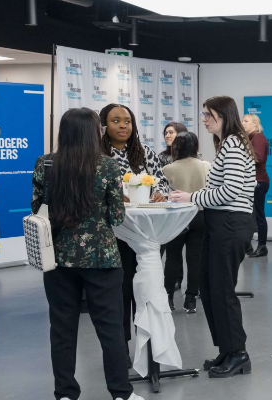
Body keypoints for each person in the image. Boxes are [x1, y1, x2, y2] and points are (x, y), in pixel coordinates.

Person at [33, 107, 141, 400]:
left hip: (58, 258)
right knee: (110, 329)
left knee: (62, 327)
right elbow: (117, 216)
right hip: (102, 258)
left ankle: (65, 393)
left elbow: (37, 208)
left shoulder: (46, 164)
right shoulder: (107, 166)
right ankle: (121, 393)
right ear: (94, 132)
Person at [169, 96, 256, 379]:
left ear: (224, 115)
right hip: (220, 223)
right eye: (203, 113)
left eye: (209, 114)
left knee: (221, 290)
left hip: (230, 223)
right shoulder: (228, 144)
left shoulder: (232, 144)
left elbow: (230, 191)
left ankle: (239, 354)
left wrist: (192, 197)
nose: (204, 118)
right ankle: (228, 349)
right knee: (208, 287)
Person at [98, 103, 171, 341]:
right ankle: (121, 345)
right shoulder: (97, 154)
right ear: (103, 125)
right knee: (119, 291)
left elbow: (161, 182)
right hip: (114, 233)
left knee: (144, 287)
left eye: (127, 121)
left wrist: (160, 192)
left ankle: (147, 343)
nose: (122, 126)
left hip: (144, 232)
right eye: (115, 121)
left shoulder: (144, 151)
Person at [162, 131, 210, 313]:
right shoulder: (206, 165)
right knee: (195, 258)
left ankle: (168, 299)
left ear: (176, 147)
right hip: (200, 215)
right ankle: (190, 300)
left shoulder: (168, 169)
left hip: (177, 217)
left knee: (172, 258)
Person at [242, 114, 270, 258]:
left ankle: (262, 246)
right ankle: (250, 246)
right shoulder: (251, 138)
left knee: (258, 215)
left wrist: (240, 158)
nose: (242, 123)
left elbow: (258, 158)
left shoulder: (257, 137)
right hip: (255, 181)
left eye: (246, 121)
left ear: (255, 123)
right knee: (252, 215)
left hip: (258, 181)